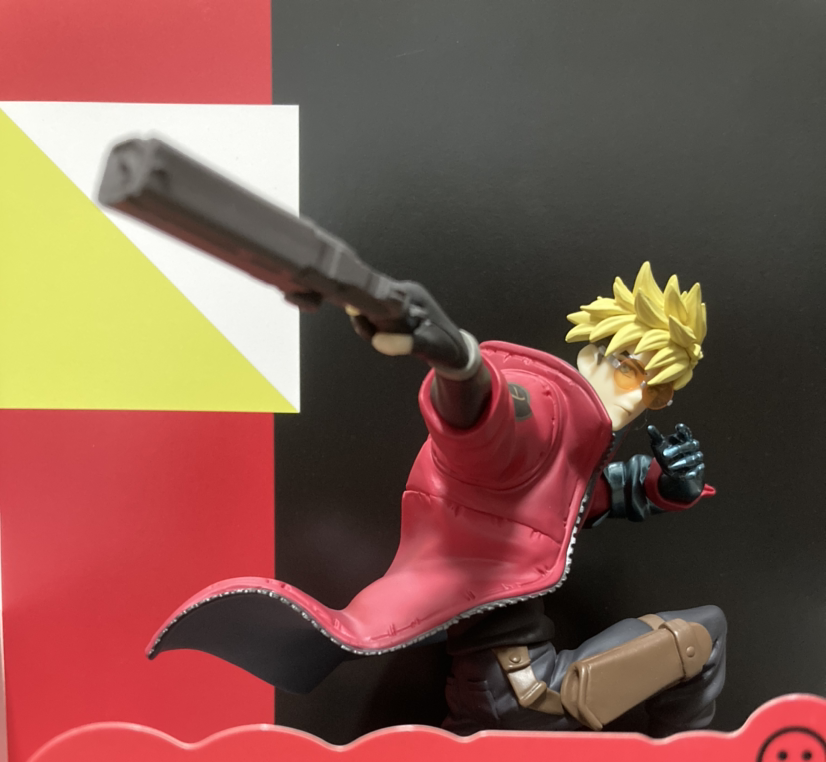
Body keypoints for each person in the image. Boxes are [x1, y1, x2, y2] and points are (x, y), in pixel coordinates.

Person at [150, 262, 725, 737]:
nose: (638, 398)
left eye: (659, 389)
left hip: (497, 687)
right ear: (592, 355)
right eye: (630, 371)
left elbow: (573, 502)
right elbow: (492, 419)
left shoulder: (572, 445)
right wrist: (460, 364)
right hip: (528, 690)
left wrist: (661, 485)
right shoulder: (546, 410)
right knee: (703, 637)